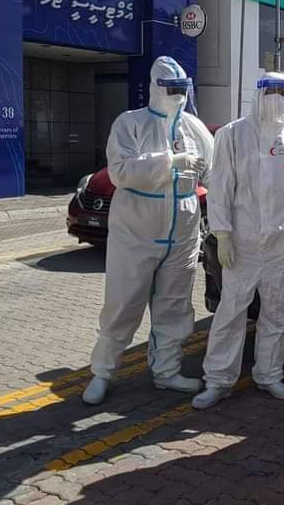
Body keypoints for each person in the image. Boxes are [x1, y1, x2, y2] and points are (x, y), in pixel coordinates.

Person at [82, 56, 214, 405]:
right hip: (136, 231)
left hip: (182, 231)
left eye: (182, 88)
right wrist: (171, 162)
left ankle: (167, 371)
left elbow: (214, 175)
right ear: (155, 87)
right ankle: (102, 372)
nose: (177, 95)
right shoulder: (131, 124)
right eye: (171, 88)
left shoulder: (195, 128)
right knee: (123, 303)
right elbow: (121, 172)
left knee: (175, 304)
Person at [193, 73, 284, 409]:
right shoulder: (233, 134)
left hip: (278, 241)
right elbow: (220, 186)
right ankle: (218, 380)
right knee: (231, 311)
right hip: (242, 240)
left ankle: (269, 374)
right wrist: (222, 234)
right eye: (270, 91)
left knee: (277, 310)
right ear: (257, 94)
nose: (277, 98)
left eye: (283, 92)